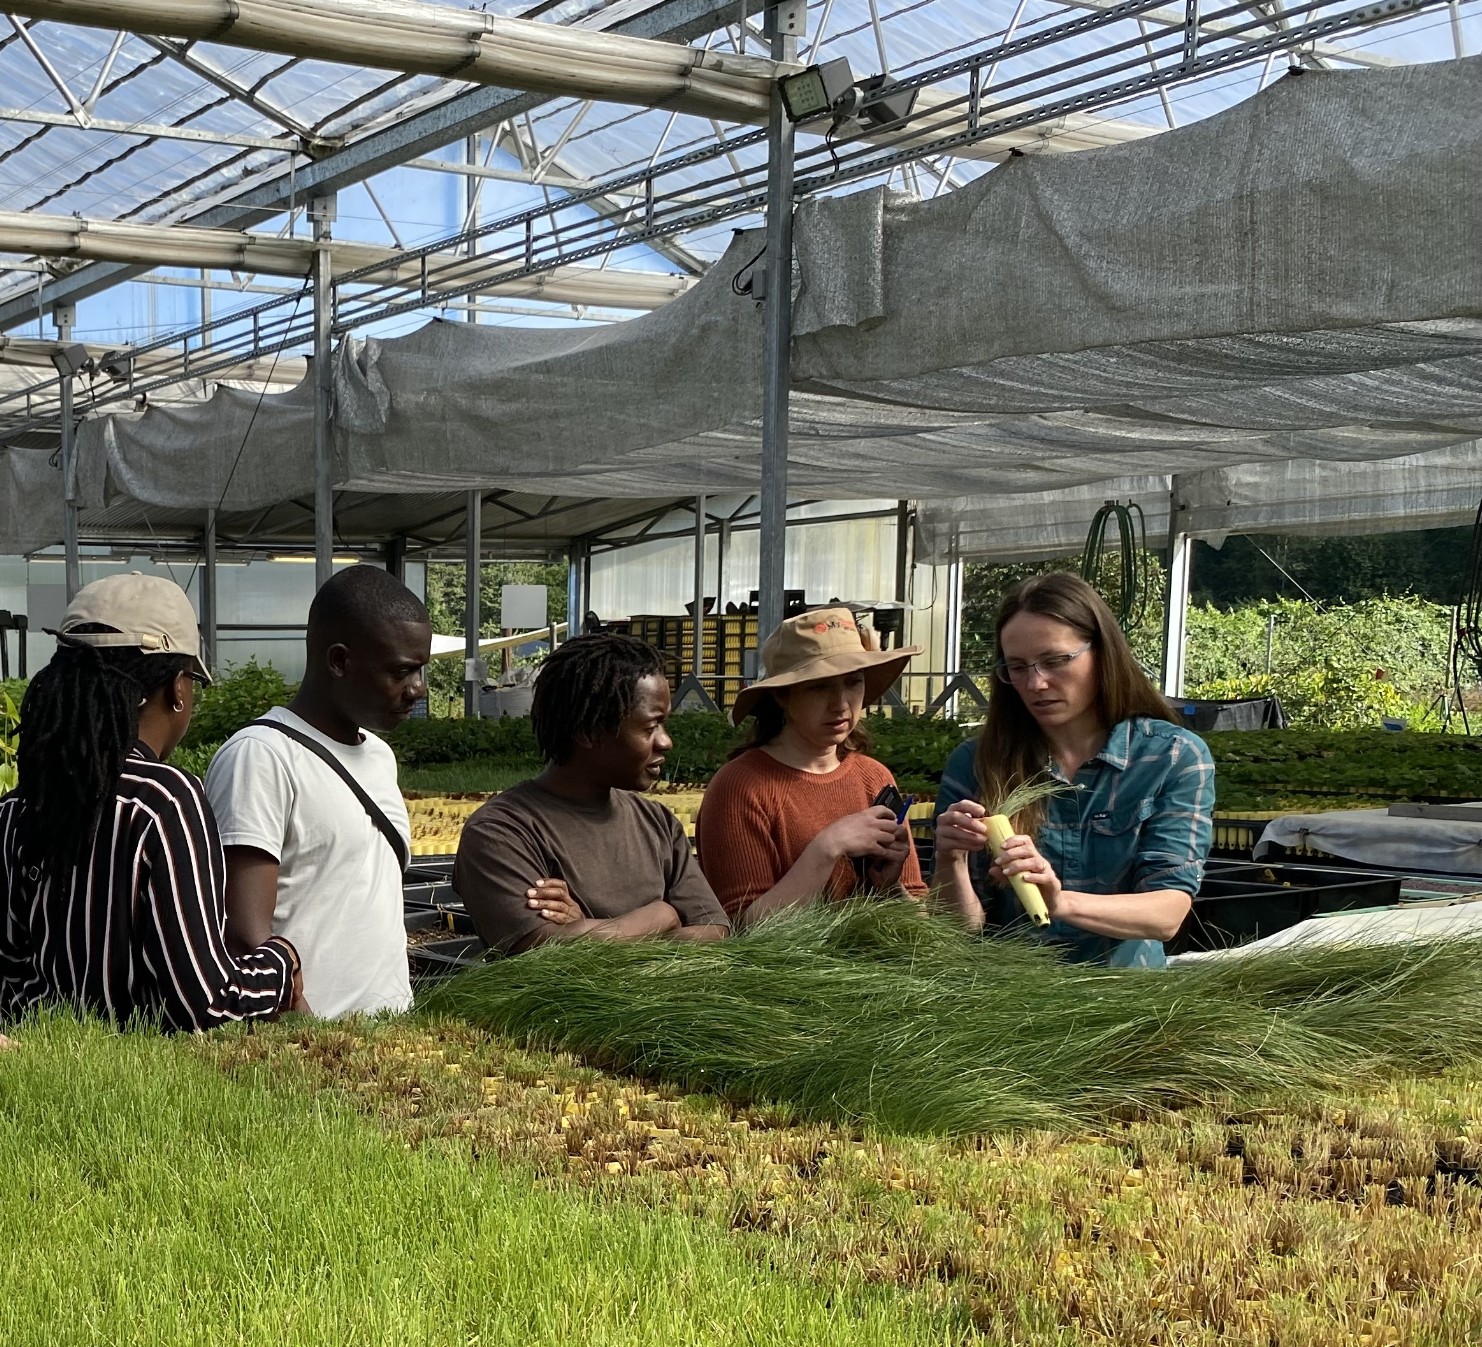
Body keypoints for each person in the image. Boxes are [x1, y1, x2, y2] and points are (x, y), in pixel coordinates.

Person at [0, 573, 302, 1031]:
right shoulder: (163, 803)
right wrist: (282, 962)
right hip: (143, 1092)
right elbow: (206, 1006)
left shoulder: (13, 811)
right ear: (178, 689)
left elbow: (9, 976)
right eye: (194, 681)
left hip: (41, 1083)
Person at [933, 573, 1215, 968]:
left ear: (1102, 653)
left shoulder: (1170, 757)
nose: (1036, 683)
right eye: (1017, 667)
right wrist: (952, 860)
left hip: (1125, 999)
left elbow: (1167, 913)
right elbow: (959, 932)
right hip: (1005, 1002)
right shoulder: (976, 762)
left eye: (1054, 661)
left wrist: (1059, 901)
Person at [207, 565, 430, 1018]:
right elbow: (244, 932)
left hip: (390, 1038)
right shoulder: (261, 757)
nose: (418, 689)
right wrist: (311, 1040)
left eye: (422, 670)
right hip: (312, 1049)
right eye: (402, 672)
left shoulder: (380, 757)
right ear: (339, 661)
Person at [455, 633, 730, 953]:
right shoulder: (502, 832)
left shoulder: (657, 823)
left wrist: (593, 928)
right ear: (589, 731)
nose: (666, 741)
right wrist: (661, 915)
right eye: (650, 726)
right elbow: (541, 953)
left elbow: (714, 931)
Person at [695, 607, 928, 928]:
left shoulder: (874, 777)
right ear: (782, 695)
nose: (841, 703)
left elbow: (921, 918)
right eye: (819, 687)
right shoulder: (740, 787)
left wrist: (889, 886)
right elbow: (739, 929)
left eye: (853, 683)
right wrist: (827, 848)